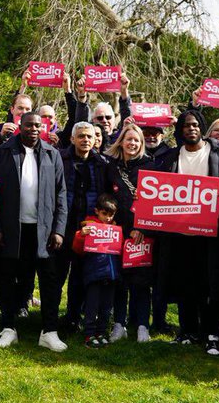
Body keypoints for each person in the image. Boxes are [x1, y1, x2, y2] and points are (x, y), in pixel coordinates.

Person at [156, 109, 219, 353]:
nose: (191, 129)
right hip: (180, 233)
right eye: (186, 126)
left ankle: (212, 332)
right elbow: (160, 188)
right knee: (184, 283)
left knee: (211, 284)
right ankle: (187, 331)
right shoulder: (171, 157)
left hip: (211, 232)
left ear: (201, 127)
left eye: (195, 125)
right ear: (180, 131)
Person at [0, 112, 68, 349]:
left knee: (49, 282)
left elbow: (61, 194)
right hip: (12, 229)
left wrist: (59, 229)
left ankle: (49, 332)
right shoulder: (3, 153)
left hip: (43, 231)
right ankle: (9, 328)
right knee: (9, 279)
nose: (33, 129)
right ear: (20, 126)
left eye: (37, 126)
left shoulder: (52, 154)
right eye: (29, 125)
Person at [51, 122, 108, 336]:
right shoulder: (59, 158)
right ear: (73, 139)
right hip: (63, 225)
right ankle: (50, 317)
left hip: (89, 227)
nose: (85, 140)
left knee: (80, 276)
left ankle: (73, 318)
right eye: (81, 136)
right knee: (57, 274)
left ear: (95, 140)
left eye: (89, 137)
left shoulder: (101, 163)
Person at [105, 124, 157, 342]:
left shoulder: (150, 167)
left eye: (137, 140)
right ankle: (119, 324)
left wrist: (141, 228)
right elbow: (106, 195)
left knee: (141, 282)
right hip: (118, 231)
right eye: (129, 140)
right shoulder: (111, 167)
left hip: (141, 233)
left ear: (141, 143)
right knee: (120, 281)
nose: (132, 144)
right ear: (121, 142)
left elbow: (154, 202)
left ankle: (143, 325)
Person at [73, 193, 122, 348]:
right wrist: (82, 235)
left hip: (111, 274)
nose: (107, 218)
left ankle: (101, 332)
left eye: (110, 215)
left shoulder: (115, 228)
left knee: (106, 307)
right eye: (104, 214)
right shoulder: (88, 226)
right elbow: (77, 248)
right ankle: (89, 334)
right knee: (92, 306)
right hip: (94, 274)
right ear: (97, 211)